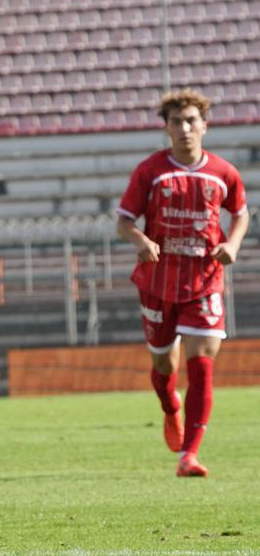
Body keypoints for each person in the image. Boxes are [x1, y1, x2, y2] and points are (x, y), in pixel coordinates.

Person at [117, 88, 249, 478]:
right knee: (162, 363)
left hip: (205, 281)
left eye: (192, 120)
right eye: (177, 121)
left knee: (203, 364)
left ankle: (188, 455)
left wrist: (233, 243)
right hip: (158, 282)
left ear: (204, 126)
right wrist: (140, 241)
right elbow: (123, 221)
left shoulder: (223, 173)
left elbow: (240, 214)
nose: (185, 128)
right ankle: (170, 406)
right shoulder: (151, 171)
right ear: (167, 128)